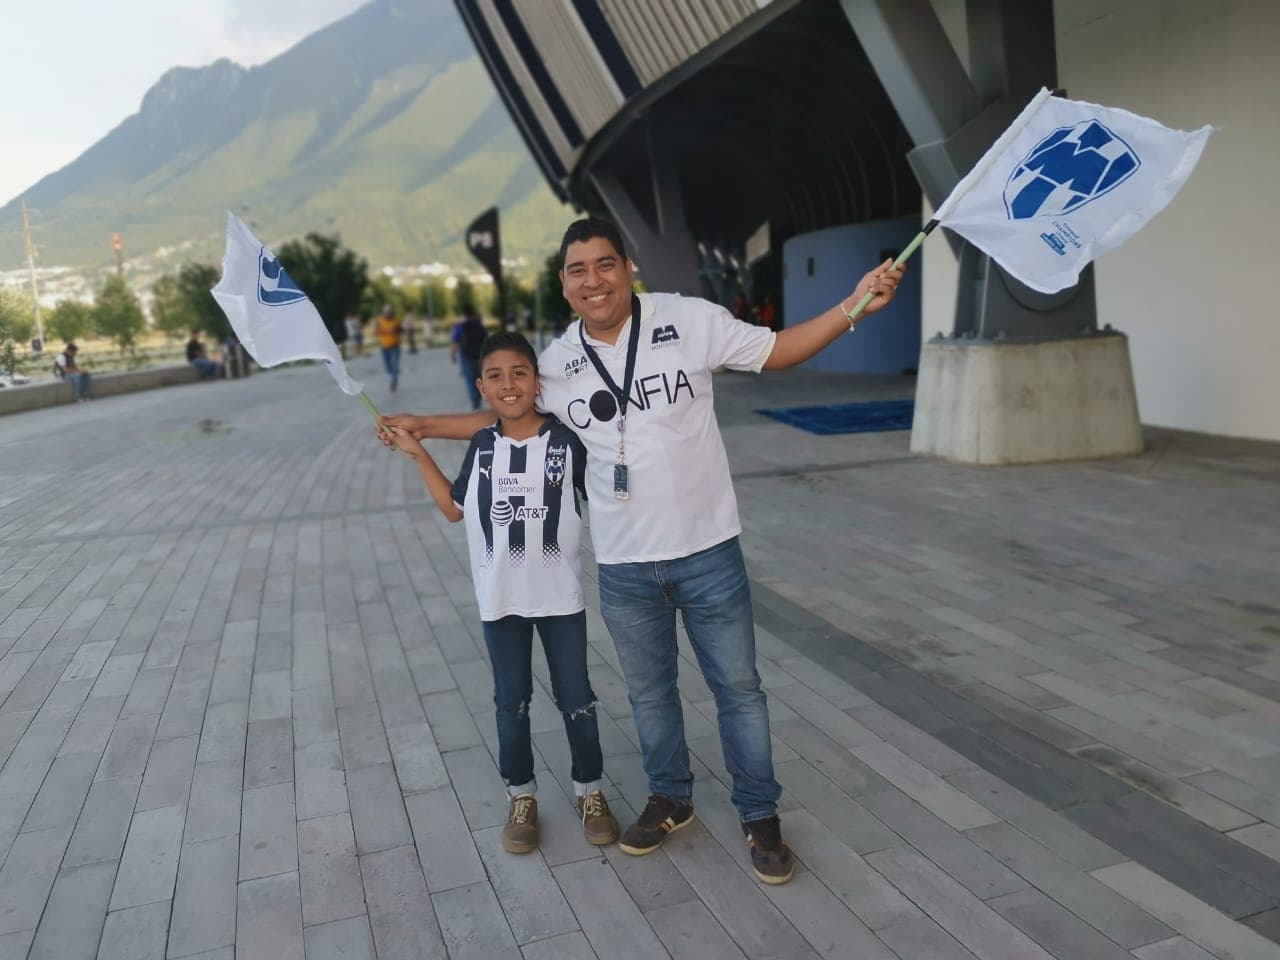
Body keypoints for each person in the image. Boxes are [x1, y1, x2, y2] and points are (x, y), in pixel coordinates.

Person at [379, 217, 902, 884]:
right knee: (651, 696)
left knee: (739, 690)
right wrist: (424, 425)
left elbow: (779, 350)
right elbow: (509, 417)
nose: (592, 279)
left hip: (709, 549)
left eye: (604, 264)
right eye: (577, 270)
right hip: (625, 564)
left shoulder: (687, 319)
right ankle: (671, 796)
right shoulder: (558, 360)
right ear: (564, 286)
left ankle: (758, 814)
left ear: (628, 269)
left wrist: (854, 305)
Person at [385, 331, 620, 854]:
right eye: (496, 375)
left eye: (519, 373)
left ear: (538, 382)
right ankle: (521, 795)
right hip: (501, 602)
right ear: (481, 386)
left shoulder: (566, 440)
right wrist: (417, 450)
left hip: (560, 599)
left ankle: (591, 790)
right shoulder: (483, 446)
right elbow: (454, 508)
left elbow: (607, 491)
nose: (509, 384)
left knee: (577, 699)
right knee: (510, 702)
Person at [450, 305, 487, 410]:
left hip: (466, 356)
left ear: (463, 314)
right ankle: (482, 396)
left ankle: (475, 402)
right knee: (480, 377)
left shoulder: (460, 326)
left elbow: (455, 341)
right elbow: (486, 339)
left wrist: (453, 355)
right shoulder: (479, 325)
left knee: (470, 379)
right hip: (480, 355)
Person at [375, 304, 402, 392]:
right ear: (383, 313)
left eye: (389, 312)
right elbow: (376, 331)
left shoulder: (396, 321)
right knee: (388, 367)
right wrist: (385, 331)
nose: (388, 314)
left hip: (395, 347)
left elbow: (401, 330)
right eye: (386, 312)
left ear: (392, 313)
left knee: (394, 365)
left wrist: (395, 330)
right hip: (384, 348)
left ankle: (394, 380)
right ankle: (393, 374)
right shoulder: (379, 321)